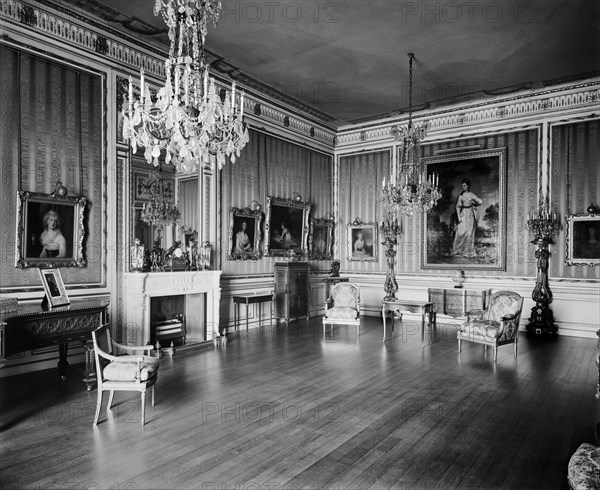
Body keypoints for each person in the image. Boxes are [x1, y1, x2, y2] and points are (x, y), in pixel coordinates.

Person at [452, 179, 483, 257]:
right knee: (460, 232)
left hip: (470, 215)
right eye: (462, 185)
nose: (463, 187)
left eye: (464, 185)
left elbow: (480, 201)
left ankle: (467, 252)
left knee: (469, 233)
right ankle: (457, 251)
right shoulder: (461, 196)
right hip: (463, 214)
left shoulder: (471, 195)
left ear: (468, 186)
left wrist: (474, 204)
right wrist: (459, 217)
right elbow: (457, 207)